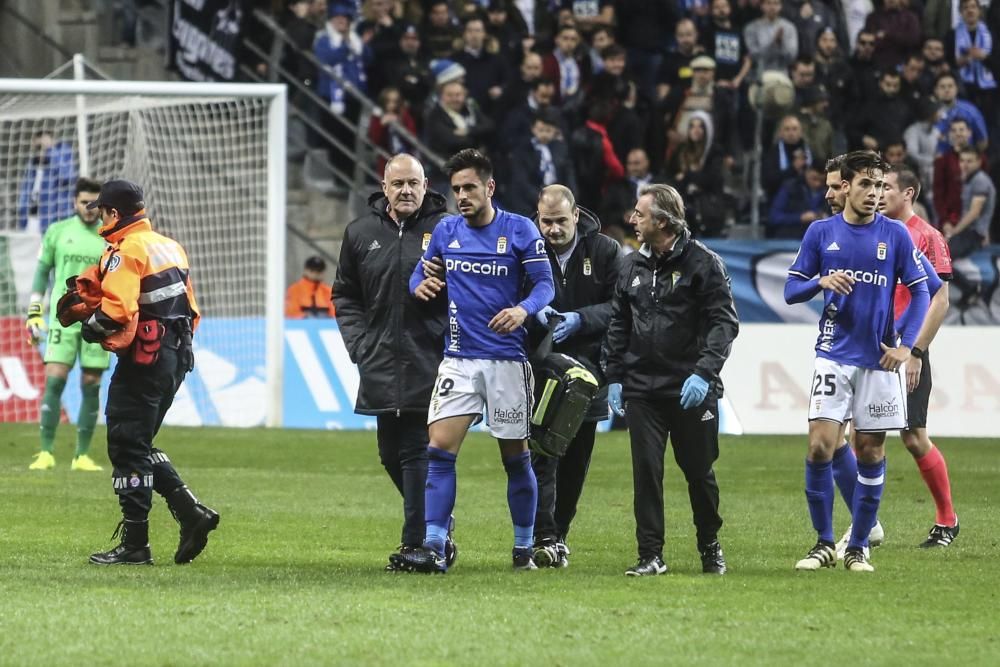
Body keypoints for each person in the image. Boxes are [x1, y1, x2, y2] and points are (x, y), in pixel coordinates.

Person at [392, 149, 555, 573]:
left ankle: (523, 548)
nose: (462, 196)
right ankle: (434, 546)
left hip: (506, 362)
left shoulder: (519, 230)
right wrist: (421, 284)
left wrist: (522, 310)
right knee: (439, 452)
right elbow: (419, 274)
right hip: (458, 359)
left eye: (469, 188)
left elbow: (545, 285)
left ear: (489, 188)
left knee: (515, 457)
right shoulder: (446, 231)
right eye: (457, 189)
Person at [785, 150, 930, 573]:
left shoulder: (897, 235)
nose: (875, 193)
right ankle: (823, 543)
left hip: (879, 360)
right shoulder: (820, 232)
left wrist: (906, 345)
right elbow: (791, 290)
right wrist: (820, 281)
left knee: (869, 451)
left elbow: (922, 290)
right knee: (819, 447)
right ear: (845, 186)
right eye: (866, 184)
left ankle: (859, 546)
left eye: (881, 185)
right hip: (833, 353)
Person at [74, 180, 218, 566]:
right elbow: (192, 308)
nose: (101, 218)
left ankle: (136, 542)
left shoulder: (127, 250)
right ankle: (191, 513)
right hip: (176, 356)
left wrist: (91, 327)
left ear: (114, 214)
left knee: (125, 443)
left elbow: (117, 311)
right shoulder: (169, 246)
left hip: (144, 359)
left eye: (102, 212)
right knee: (138, 443)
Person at [603, 183, 739, 577]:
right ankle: (650, 554)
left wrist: (703, 373)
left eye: (640, 214)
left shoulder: (704, 263)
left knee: (699, 471)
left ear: (662, 222)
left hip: (690, 389)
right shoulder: (630, 266)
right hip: (643, 389)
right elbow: (619, 323)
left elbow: (724, 323)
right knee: (646, 471)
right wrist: (615, 376)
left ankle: (709, 545)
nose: (632, 219)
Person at [334, 153, 453, 571]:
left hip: (431, 357)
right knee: (389, 453)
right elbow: (345, 294)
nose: (405, 191)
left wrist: (445, 302)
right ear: (384, 187)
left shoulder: (446, 230)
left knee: (416, 451)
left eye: (413, 184)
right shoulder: (360, 233)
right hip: (380, 355)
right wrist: (358, 343)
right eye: (397, 183)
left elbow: (473, 288)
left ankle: (416, 544)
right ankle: (436, 524)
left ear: (426, 186)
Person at [530, 184, 622, 568]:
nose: (552, 229)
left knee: (576, 461)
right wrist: (532, 310)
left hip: (589, 371)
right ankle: (543, 536)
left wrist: (581, 319)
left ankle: (559, 534)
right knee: (540, 456)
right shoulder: (527, 249)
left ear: (576, 217)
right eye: (546, 221)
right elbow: (509, 295)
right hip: (540, 370)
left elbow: (621, 304)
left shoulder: (605, 251)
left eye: (560, 221)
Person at [879, 166, 959, 547]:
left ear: (908, 193)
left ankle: (947, 519)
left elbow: (940, 299)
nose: (880, 194)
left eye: (888, 188)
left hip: (908, 350)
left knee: (913, 436)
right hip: (874, 348)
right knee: (858, 435)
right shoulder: (878, 231)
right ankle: (865, 525)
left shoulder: (928, 237)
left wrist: (915, 351)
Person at [26, 178, 109, 472]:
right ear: (74, 201)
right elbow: (42, 272)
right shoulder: (58, 232)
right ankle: (46, 452)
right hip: (63, 319)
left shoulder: (109, 237)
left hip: (98, 320)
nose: (89, 208)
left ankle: (82, 456)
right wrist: (35, 311)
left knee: (91, 383)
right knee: (55, 378)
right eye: (84, 202)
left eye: (94, 203)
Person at [17, 130, 76, 233]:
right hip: (32, 219)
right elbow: (25, 192)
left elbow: (68, 177)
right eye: (38, 147)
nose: (41, 151)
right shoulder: (32, 165)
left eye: (45, 147)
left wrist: (50, 152)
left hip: (55, 218)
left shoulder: (62, 159)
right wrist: (22, 213)